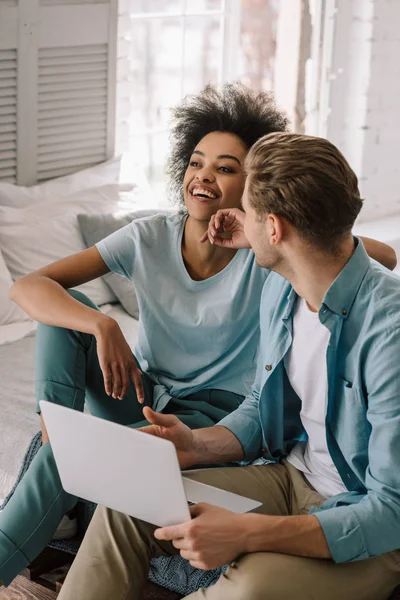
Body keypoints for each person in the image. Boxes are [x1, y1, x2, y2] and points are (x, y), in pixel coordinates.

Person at [0, 86, 395, 589]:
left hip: (242, 430)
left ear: (268, 216)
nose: (204, 175)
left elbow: (368, 255)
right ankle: (55, 425)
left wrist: (269, 232)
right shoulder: (166, 242)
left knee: (79, 467)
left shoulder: (279, 271)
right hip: (160, 405)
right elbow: (30, 285)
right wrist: (102, 325)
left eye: (229, 171)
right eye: (196, 161)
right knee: (68, 316)